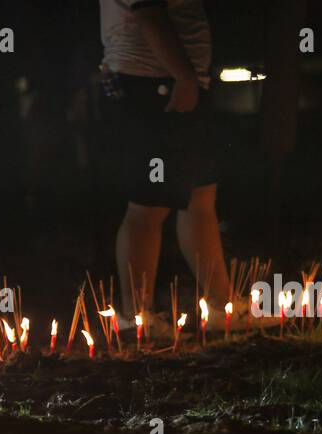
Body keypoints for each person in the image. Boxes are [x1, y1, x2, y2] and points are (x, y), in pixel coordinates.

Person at [99, 0, 244, 331]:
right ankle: (136, 317)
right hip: (154, 85)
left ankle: (224, 309)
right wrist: (184, 75)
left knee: (199, 198)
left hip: (176, 84)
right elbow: (147, 12)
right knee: (150, 205)